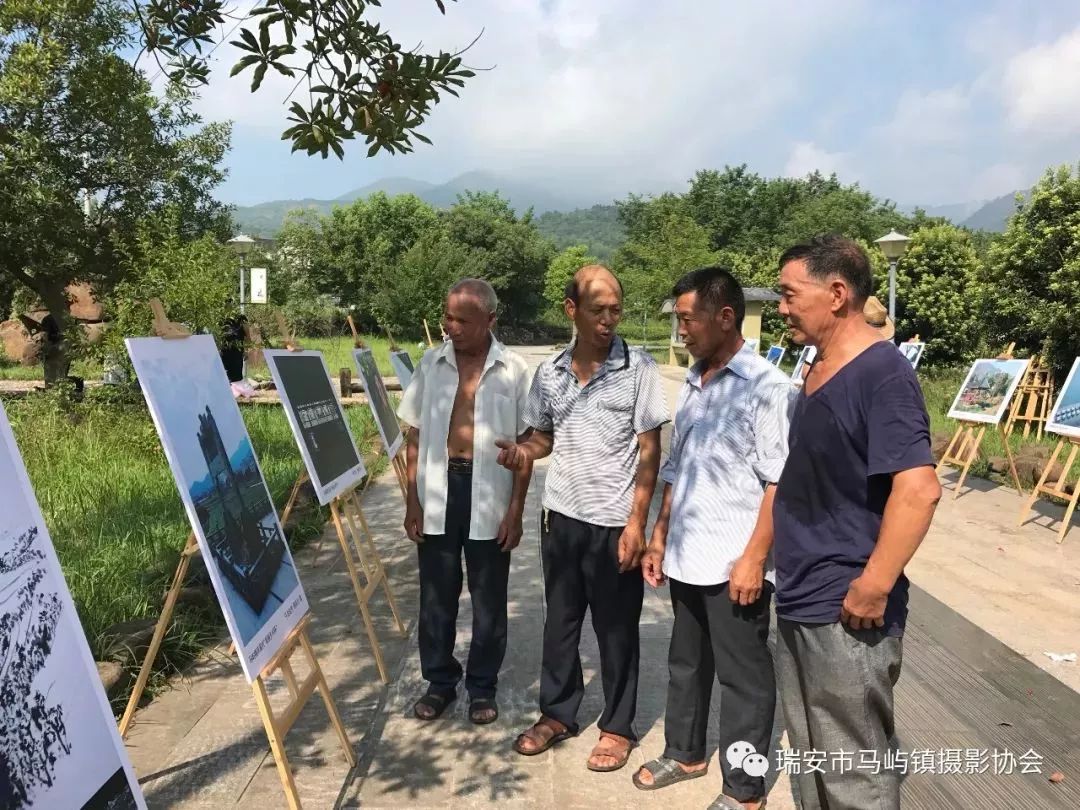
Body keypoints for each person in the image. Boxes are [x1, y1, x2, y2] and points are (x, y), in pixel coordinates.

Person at [772, 235, 941, 809]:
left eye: (790, 294)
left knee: (855, 773)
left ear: (837, 293)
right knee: (813, 762)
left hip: (846, 608)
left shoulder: (883, 374)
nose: (782, 307)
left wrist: (874, 586)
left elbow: (918, 491)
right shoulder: (820, 367)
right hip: (800, 592)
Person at [496, 265, 668, 772]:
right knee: (561, 623)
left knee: (617, 630)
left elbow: (649, 449)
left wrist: (637, 523)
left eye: (615, 309)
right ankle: (557, 715)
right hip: (562, 518)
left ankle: (617, 727)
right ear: (572, 310)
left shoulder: (639, 367)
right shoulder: (550, 373)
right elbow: (543, 435)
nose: (609, 319)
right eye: (598, 310)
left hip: (615, 521)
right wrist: (524, 451)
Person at [633, 267, 792, 810]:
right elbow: (677, 468)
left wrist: (754, 558)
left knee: (744, 678)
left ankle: (745, 790)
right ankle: (685, 752)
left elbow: (779, 481)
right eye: (678, 321)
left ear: (725, 317)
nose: (682, 331)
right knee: (687, 661)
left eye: (687, 320)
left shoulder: (767, 388)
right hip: (687, 555)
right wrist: (659, 538)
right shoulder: (696, 383)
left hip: (736, 564)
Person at [397, 278, 534, 725]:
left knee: (489, 597)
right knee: (436, 596)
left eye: (462, 320)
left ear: (491, 321)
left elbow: (527, 447)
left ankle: (481, 686)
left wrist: (516, 510)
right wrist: (412, 501)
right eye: (448, 317)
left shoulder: (513, 371)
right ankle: (439, 682)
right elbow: (414, 436)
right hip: (439, 491)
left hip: (489, 494)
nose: (451, 327)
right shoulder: (431, 365)